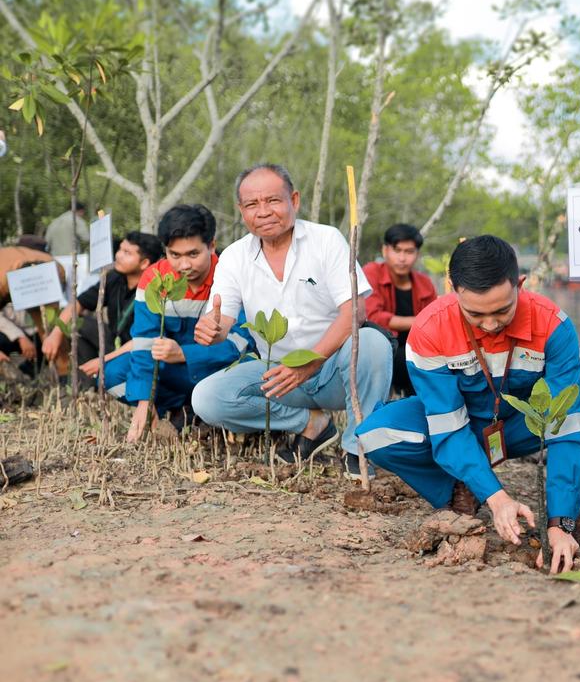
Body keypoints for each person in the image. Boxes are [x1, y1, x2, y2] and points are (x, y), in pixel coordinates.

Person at [354, 235, 580, 573]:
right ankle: (460, 486)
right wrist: (497, 499)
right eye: (475, 314)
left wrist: (559, 524)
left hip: (522, 427)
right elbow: (448, 427)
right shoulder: (428, 330)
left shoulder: (554, 326)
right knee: (375, 434)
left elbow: (565, 427)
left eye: (502, 310)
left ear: (520, 285)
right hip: (462, 426)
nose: (490, 324)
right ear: (452, 288)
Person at [191, 163, 392, 462]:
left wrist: (308, 364)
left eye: (273, 200)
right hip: (279, 375)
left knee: (374, 344)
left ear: (294, 200)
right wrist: (211, 330)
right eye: (252, 204)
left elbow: (355, 311)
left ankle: (358, 449)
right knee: (206, 398)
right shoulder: (234, 257)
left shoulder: (326, 240)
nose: (262, 212)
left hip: (333, 368)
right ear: (241, 210)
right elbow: (222, 322)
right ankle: (312, 424)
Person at [104, 205, 254, 441]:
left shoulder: (232, 275)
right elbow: (144, 342)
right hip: (174, 372)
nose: (184, 265)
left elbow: (241, 343)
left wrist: (184, 353)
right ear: (165, 251)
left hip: (217, 370)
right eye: (175, 255)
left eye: (193, 254)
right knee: (112, 374)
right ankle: (182, 410)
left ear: (212, 246)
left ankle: (205, 411)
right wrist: (145, 400)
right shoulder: (154, 278)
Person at [41, 231, 163, 377]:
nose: (118, 255)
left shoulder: (155, 290)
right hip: (113, 341)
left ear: (144, 263)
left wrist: (103, 360)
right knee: (79, 323)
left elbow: (144, 340)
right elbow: (78, 303)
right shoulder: (114, 277)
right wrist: (55, 334)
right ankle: (85, 383)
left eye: (127, 253)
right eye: (120, 249)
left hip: (137, 351)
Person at [364, 222, 438, 397]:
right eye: (397, 250)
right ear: (385, 250)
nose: (402, 258)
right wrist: (419, 321)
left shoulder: (424, 283)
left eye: (409, 252)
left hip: (418, 349)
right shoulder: (372, 272)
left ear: (417, 254)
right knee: (407, 359)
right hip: (384, 349)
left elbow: (436, 323)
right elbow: (374, 317)